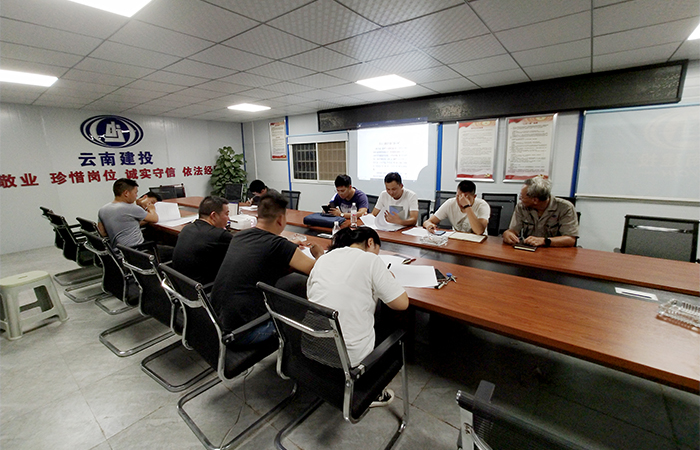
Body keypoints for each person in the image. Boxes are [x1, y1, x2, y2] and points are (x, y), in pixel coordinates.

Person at [306, 226, 408, 407]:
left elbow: (311, 296)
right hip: (349, 358)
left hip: (312, 345)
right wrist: (388, 278)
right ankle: (372, 389)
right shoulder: (370, 260)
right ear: (370, 242)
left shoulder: (324, 259)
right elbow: (401, 304)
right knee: (389, 327)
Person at [211, 191, 324, 345]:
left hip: (214, 323)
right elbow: (317, 270)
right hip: (242, 333)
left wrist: (289, 244)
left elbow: (265, 244)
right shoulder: (279, 246)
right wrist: (319, 254)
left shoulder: (239, 236)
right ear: (281, 219)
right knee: (297, 306)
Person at [502, 176, 579, 248]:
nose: (520, 199)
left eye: (522, 197)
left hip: (554, 251)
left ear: (535, 200)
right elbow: (513, 230)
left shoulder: (565, 208)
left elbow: (570, 240)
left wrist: (544, 241)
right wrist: (508, 233)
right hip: (528, 249)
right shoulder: (521, 207)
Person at [171, 196, 232, 284]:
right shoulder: (220, 235)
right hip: (203, 287)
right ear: (214, 215)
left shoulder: (187, 228)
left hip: (181, 284)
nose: (228, 218)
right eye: (226, 214)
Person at [98, 178, 158, 248]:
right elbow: (155, 219)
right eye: (135, 193)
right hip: (136, 249)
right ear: (126, 193)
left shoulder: (103, 209)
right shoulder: (131, 207)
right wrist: (152, 209)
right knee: (167, 249)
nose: (136, 196)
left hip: (117, 251)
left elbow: (102, 233)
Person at [423, 180, 490, 235]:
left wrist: (467, 206)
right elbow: (428, 222)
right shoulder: (450, 203)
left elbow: (479, 231)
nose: (461, 201)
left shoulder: (482, 205)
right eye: (458, 196)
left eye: (466, 198)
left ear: (474, 197)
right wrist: (429, 225)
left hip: (478, 240)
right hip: (457, 237)